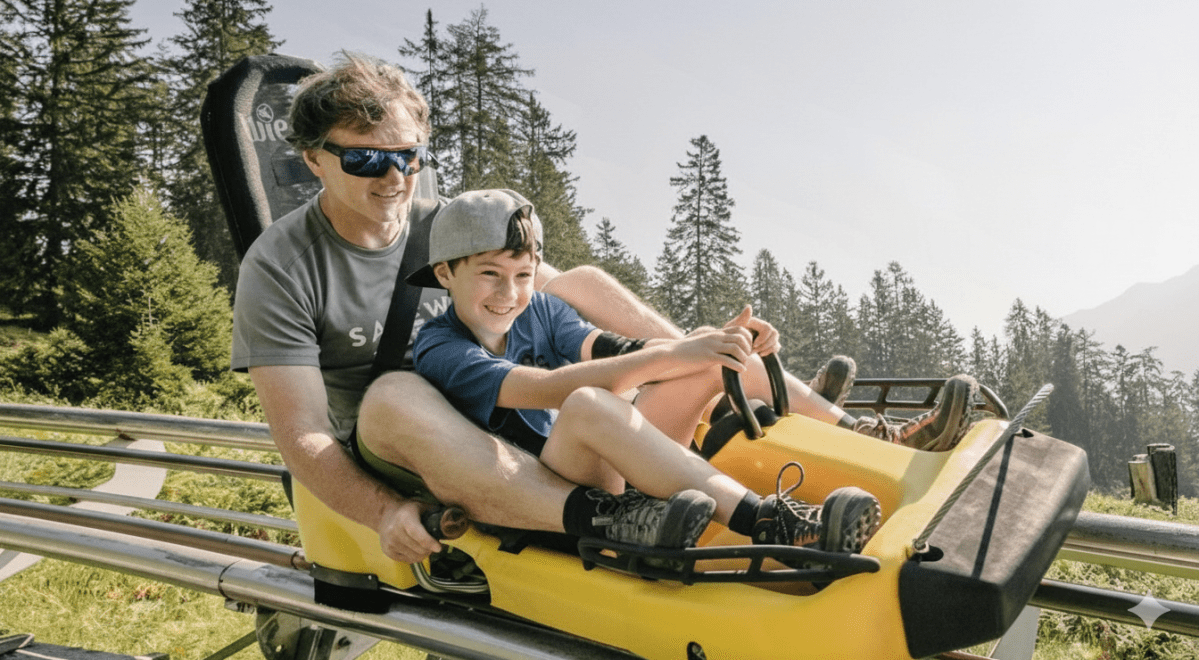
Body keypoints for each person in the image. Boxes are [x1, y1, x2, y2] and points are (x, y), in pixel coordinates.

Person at [231, 52, 973, 566]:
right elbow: (305, 439)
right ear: (315, 160)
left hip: (517, 421)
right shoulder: (282, 266)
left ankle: (864, 436)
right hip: (409, 446)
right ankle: (607, 519)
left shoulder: (448, 226)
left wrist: (698, 350)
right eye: (366, 159)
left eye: (408, 156)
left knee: (579, 280)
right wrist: (382, 512)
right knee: (396, 394)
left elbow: (557, 307)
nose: (393, 177)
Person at [406, 188, 884, 552]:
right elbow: (549, 388)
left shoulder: (543, 311)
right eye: (490, 273)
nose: (509, 293)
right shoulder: (440, 347)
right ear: (445, 273)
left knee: (705, 360)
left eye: (524, 275)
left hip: (610, 469)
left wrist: (713, 345)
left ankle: (865, 439)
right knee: (588, 403)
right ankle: (769, 521)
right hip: (550, 500)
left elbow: (613, 349)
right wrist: (677, 353)